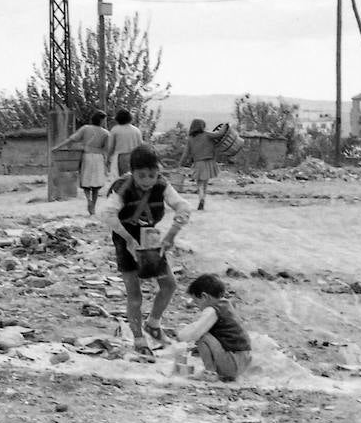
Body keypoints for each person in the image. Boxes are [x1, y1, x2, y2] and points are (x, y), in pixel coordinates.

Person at [102, 144, 192, 353]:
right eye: (141, 176)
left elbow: (182, 206)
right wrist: (128, 240)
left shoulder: (162, 185)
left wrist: (171, 234)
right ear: (133, 173)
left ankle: (153, 324)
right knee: (135, 293)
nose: (147, 181)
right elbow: (108, 215)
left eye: (152, 175)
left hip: (149, 237)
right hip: (124, 237)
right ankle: (138, 338)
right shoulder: (122, 188)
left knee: (169, 285)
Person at [174, 273, 252, 382]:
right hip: (243, 360)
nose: (197, 306)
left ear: (204, 297)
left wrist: (180, 336)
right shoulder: (225, 305)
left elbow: (196, 332)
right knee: (203, 334)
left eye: (197, 301)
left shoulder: (213, 310)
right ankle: (221, 373)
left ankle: (209, 373)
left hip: (233, 362)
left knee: (202, 336)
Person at [55, 110, 112, 215]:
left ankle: (88, 200)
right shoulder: (106, 133)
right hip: (98, 158)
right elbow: (107, 150)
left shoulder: (85, 129)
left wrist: (57, 147)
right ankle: (93, 206)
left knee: (85, 181)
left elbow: (71, 139)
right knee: (96, 184)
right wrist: (108, 162)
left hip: (87, 156)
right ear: (102, 121)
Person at [181, 118, 228, 211]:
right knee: (205, 183)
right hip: (209, 161)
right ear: (202, 126)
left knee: (199, 184)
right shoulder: (207, 134)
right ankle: (203, 199)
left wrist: (181, 163)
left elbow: (186, 153)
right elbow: (219, 134)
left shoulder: (190, 138)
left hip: (198, 162)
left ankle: (201, 198)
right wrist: (225, 126)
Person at [107, 109, 144, 179]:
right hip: (135, 157)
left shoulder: (115, 130)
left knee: (122, 178)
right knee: (133, 177)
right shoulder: (136, 130)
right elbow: (141, 146)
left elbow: (111, 147)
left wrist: (108, 159)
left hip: (121, 157)